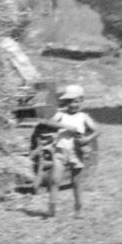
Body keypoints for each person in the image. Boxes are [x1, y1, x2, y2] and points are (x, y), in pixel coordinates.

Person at [42, 84, 99, 218]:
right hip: (60, 151)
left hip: (76, 152)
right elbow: (48, 123)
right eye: (70, 102)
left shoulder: (83, 116)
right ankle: (52, 209)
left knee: (76, 182)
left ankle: (78, 210)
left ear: (81, 101)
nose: (73, 105)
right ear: (66, 103)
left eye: (76, 102)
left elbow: (98, 130)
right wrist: (65, 126)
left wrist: (87, 139)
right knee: (55, 180)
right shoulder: (60, 115)